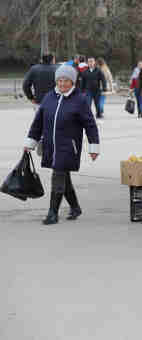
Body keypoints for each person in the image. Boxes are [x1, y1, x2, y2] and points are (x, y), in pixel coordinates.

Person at [23, 65, 100, 225]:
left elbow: (90, 124)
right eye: (59, 80)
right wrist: (31, 141)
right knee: (63, 177)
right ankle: (75, 207)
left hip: (68, 147)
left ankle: (53, 213)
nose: (62, 84)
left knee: (58, 175)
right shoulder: (49, 97)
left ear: (73, 82)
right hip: (51, 145)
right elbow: (38, 122)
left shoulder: (80, 100)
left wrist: (94, 146)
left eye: (66, 80)